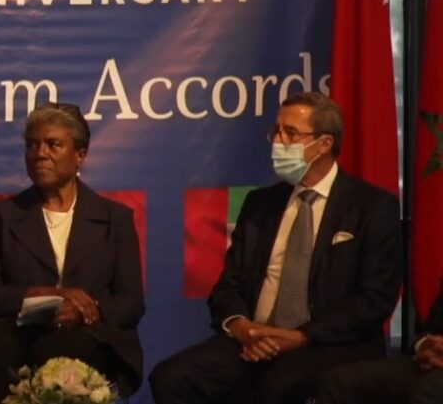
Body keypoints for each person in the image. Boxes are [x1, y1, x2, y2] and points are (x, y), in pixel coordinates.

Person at [149, 91, 402, 404]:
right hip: (255, 338)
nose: (278, 141)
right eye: (276, 131)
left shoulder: (372, 207)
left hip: (329, 343)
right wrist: (242, 327)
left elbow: (374, 299)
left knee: (278, 386)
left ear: (324, 144)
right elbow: (229, 284)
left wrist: (300, 336)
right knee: (171, 377)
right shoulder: (261, 204)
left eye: (291, 133)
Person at [0, 103, 145, 404]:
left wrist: (84, 310)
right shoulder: (2, 217)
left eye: (53, 144)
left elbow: (131, 302)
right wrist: (43, 293)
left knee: (64, 349)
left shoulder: (114, 219)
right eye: (32, 145)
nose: (39, 153)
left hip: (86, 333)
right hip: (15, 330)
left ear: (80, 155)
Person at [315, 275, 443, 404]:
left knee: (428, 390)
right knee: (337, 382)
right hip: (433, 360)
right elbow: (432, 328)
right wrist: (425, 343)